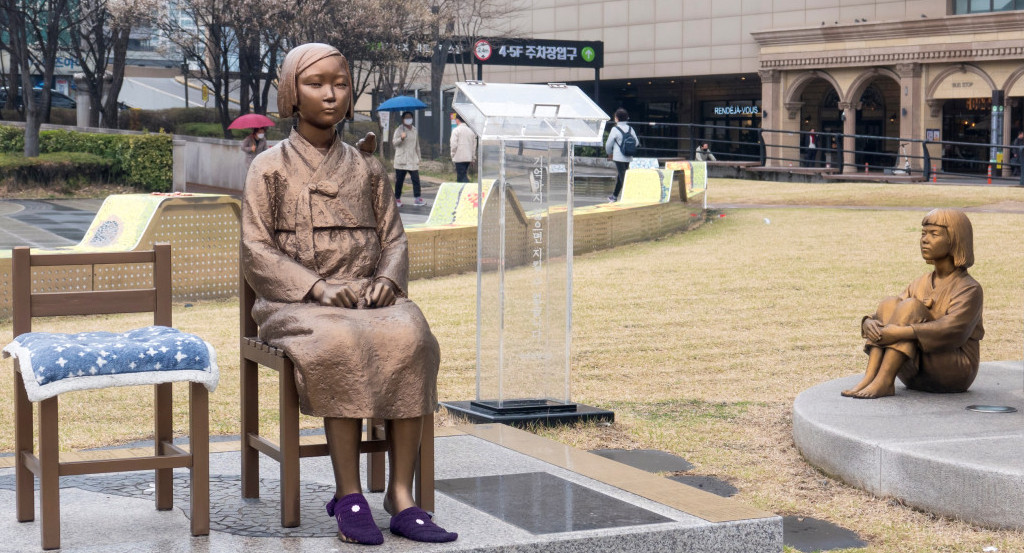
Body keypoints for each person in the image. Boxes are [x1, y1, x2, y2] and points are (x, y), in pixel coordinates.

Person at [240, 43, 456, 545]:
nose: (331, 95)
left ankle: (401, 495)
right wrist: (315, 285)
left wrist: (387, 278)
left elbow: (394, 236)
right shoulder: (268, 167)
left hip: (368, 297)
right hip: (297, 303)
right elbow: (255, 249)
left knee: (412, 338)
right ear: (292, 93)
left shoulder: (367, 166)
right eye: (316, 84)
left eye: (339, 83)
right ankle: (349, 494)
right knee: (341, 346)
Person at [842, 208, 983, 399]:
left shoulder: (969, 288)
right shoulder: (920, 282)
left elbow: (952, 331)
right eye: (923, 234)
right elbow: (890, 314)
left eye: (934, 234)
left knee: (910, 307)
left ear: (955, 239)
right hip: (915, 372)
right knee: (889, 303)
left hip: (953, 371)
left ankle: (884, 380)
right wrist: (869, 322)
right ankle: (871, 376)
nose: (925, 240)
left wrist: (900, 332)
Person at [604, 108, 637, 202]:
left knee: (623, 176)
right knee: (621, 175)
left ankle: (629, 197)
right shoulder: (631, 129)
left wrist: (609, 153)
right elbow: (637, 142)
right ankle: (614, 196)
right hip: (629, 156)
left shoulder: (615, 129)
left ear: (617, 118)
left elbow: (608, 144)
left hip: (618, 157)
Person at [392, 111, 424, 207]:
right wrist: (401, 138)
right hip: (401, 159)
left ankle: (417, 198)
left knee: (416, 179)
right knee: (399, 181)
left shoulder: (414, 130)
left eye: (410, 117)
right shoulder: (399, 130)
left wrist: (419, 158)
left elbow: (417, 145)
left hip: (412, 159)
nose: (408, 119)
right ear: (402, 119)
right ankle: (397, 199)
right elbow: (394, 143)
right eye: (406, 117)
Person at [450, 112, 476, 183]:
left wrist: (452, 154)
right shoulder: (471, 131)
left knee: (461, 176)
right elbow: (474, 146)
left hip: (459, 157)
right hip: (468, 158)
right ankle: (461, 190)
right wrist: (473, 158)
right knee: (462, 175)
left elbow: (453, 145)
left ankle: (466, 189)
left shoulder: (456, 130)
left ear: (458, 120)